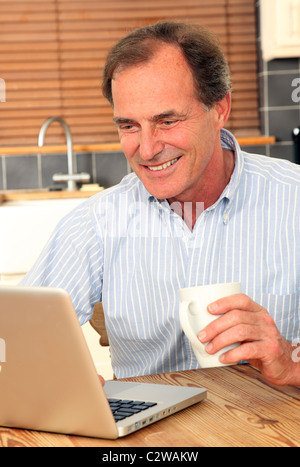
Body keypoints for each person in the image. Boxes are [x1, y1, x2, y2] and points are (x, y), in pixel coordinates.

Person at [21, 22, 300, 386]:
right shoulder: (96, 223)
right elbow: (13, 340)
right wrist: (56, 380)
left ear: (219, 108)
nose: (148, 149)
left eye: (166, 121)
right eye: (129, 126)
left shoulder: (292, 200)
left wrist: (289, 360)